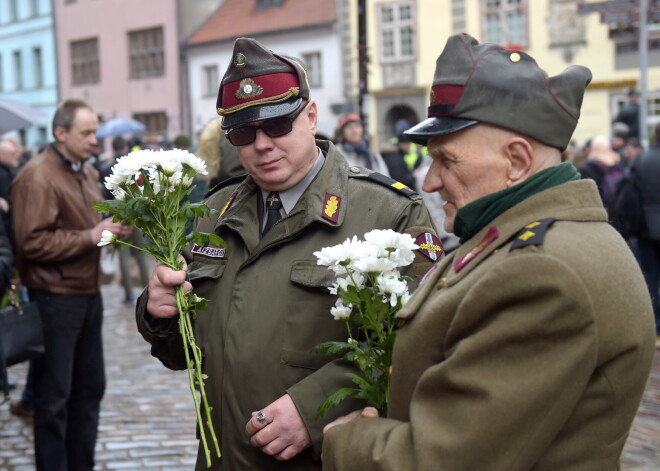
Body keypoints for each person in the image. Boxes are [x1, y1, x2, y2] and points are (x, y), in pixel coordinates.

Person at [321, 33, 656, 471]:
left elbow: (445, 459)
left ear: (516, 162)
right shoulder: (538, 242)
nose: (430, 182)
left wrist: (347, 442)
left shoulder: (543, 273)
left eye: (447, 160)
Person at [135, 37, 439, 471]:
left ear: (311, 116)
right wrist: (160, 315)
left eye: (278, 125)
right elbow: (183, 355)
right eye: (243, 132)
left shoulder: (388, 212)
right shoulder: (212, 215)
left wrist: (316, 409)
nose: (262, 144)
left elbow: (418, 348)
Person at [10, 99, 132, 471]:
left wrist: (114, 228)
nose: (95, 139)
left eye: (96, 131)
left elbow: (88, 225)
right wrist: (91, 235)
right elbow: (31, 243)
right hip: (55, 298)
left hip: (87, 293)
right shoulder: (37, 176)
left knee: (89, 390)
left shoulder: (86, 171)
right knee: (54, 399)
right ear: (60, 133)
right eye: (87, 132)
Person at [635, 122, 660, 343]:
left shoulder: (642, 159)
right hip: (649, 225)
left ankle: (654, 327)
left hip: (646, 227)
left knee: (650, 277)